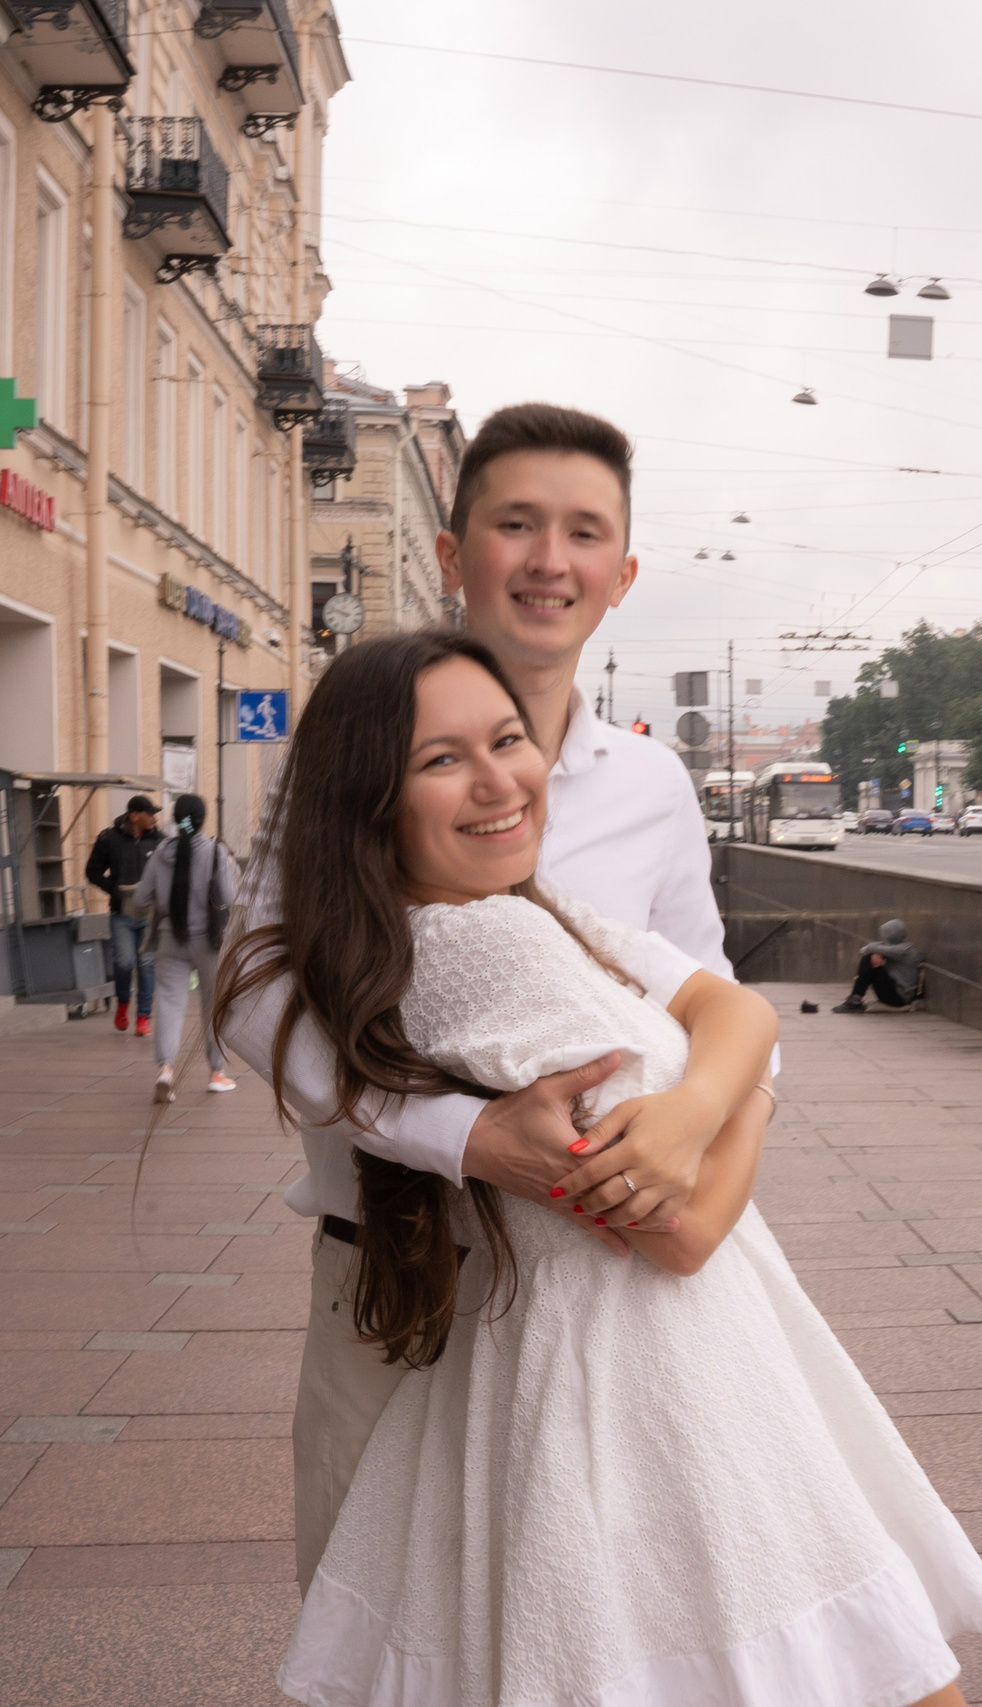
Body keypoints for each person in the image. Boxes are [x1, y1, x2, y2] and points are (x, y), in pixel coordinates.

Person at [229, 634, 982, 1707]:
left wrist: (695, 1109)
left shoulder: (528, 911)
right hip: (649, 1372)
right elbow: (680, 1232)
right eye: (442, 760)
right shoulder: (486, 948)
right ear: (368, 802)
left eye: (509, 740)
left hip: (625, 1355)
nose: (499, 780)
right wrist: (747, 1101)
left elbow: (738, 1006)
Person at [217, 403, 758, 1595]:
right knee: (380, 1628)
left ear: (621, 575)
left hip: (604, 1296)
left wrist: (694, 1117)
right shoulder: (354, 745)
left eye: (584, 533)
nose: (549, 561)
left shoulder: (651, 783)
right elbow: (254, 991)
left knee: (604, 1624)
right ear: (454, 555)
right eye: (517, 524)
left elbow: (713, 999)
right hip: (400, 1281)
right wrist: (460, 1136)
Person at [131, 792, 240, 1102]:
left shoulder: (161, 853)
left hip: (171, 938)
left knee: (169, 1003)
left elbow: (140, 900)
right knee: (214, 1005)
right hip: (209, 941)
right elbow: (230, 897)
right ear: (203, 819)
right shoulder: (216, 851)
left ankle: (166, 1070)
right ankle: (216, 1073)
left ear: (176, 819)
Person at [83, 794, 162, 1037]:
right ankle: (123, 1003)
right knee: (124, 962)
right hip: (122, 914)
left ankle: (143, 1017)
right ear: (134, 816)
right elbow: (92, 871)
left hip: (149, 915)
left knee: (147, 965)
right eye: (150, 814)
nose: (154, 818)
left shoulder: (159, 840)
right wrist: (113, 890)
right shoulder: (109, 838)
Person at [834, 918, 922, 1013]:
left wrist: (874, 953)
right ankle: (855, 999)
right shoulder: (903, 947)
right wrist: (876, 953)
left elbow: (867, 949)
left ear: (889, 936)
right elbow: (867, 949)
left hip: (899, 998)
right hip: (895, 992)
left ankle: (854, 1001)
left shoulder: (902, 951)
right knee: (870, 958)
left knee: (868, 959)